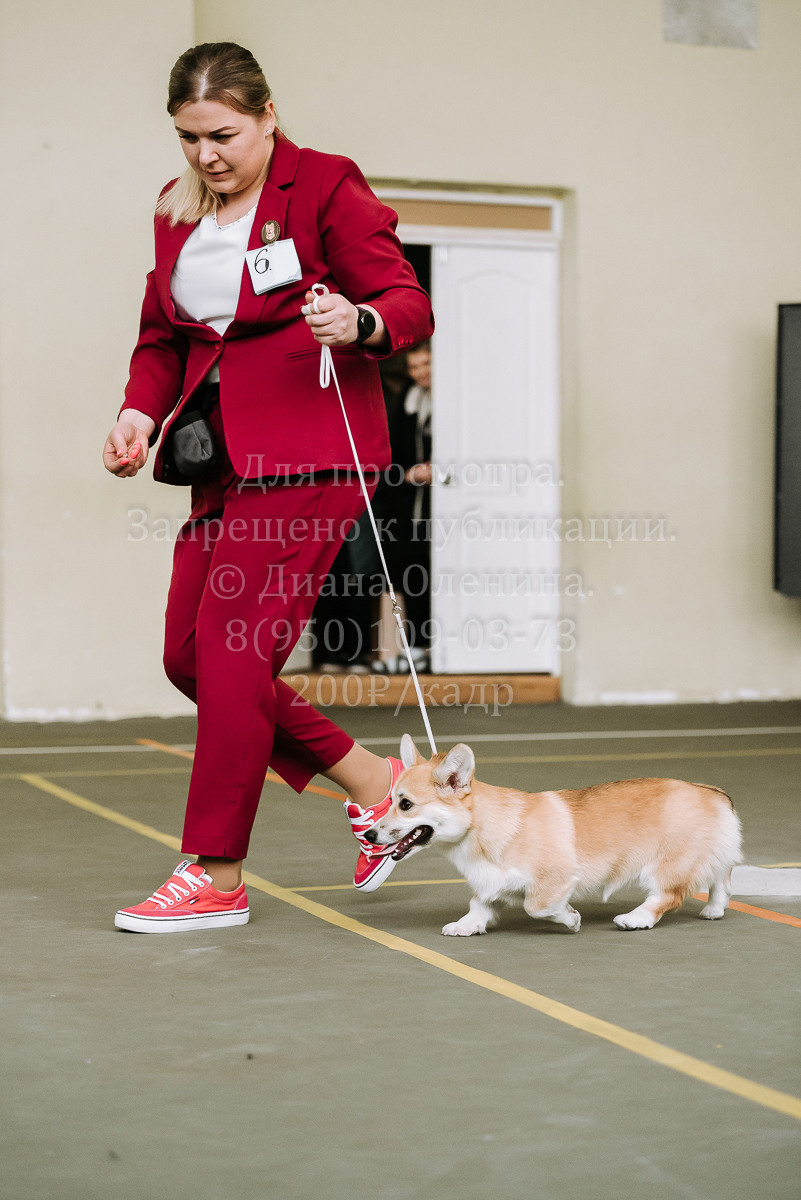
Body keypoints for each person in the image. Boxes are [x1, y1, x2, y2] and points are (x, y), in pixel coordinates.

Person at [102, 42, 434, 931]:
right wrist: (140, 411)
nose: (206, 156)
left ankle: (215, 873)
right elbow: (163, 335)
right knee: (190, 658)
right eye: (187, 139)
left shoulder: (324, 184)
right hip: (221, 458)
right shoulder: (176, 213)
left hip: (313, 453)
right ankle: (376, 787)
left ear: (266, 115)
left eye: (223, 134)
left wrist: (357, 321)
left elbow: (406, 301)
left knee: (238, 654)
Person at [380, 341, 433, 671]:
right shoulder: (408, 402)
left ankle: (433, 644)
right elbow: (393, 458)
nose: (421, 373)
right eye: (414, 367)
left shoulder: (453, 403)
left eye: (426, 364)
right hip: (407, 506)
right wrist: (407, 474)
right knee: (412, 574)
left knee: (437, 571)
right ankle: (417, 644)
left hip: (439, 507)